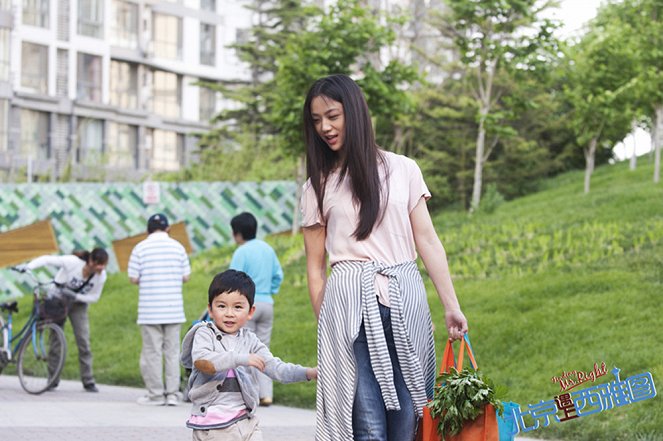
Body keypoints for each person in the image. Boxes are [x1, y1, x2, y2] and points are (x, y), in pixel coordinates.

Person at [300, 74, 469, 441]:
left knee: (409, 417)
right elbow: (314, 265)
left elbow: (427, 241)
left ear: (355, 112)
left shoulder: (403, 169)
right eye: (316, 121)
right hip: (347, 305)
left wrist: (450, 305)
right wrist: (325, 319)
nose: (325, 128)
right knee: (367, 423)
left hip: (404, 297)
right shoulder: (317, 185)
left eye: (332, 115)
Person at [181, 269, 317, 441]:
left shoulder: (249, 340)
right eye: (221, 306)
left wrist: (308, 373)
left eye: (238, 307)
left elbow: (275, 367)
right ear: (210, 309)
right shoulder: (204, 334)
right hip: (214, 426)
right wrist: (240, 359)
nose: (229, 313)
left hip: (246, 421)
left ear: (250, 311)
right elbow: (202, 362)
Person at [24, 248, 109, 392]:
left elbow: (94, 297)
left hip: (78, 305)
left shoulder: (101, 276)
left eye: (103, 265)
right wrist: (28, 267)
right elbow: (47, 259)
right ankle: (52, 380)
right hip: (58, 300)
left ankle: (88, 380)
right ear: (90, 261)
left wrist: (75, 297)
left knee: (84, 341)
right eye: (98, 264)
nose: (101, 268)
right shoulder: (72, 263)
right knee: (56, 340)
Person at [128, 213, 191, 406]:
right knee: (172, 352)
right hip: (173, 310)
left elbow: (133, 277)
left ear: (147, 230)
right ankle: (172, 394)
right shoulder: (178, 247)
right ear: (168, 229)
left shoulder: (140, 248)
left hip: (150, 311)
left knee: (152, 353)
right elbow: (186, 276)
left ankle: (155, 395)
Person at [229, 212, 284, 406]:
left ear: (237, 233)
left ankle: (250, 393)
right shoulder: (267, 249)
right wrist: (270, 291)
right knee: (263, 349)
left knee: (247, 350)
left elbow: (232, 280)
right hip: (267, 304)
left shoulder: (241, 252)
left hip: (248, 307)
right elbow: (278, 274)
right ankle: (266, 394)